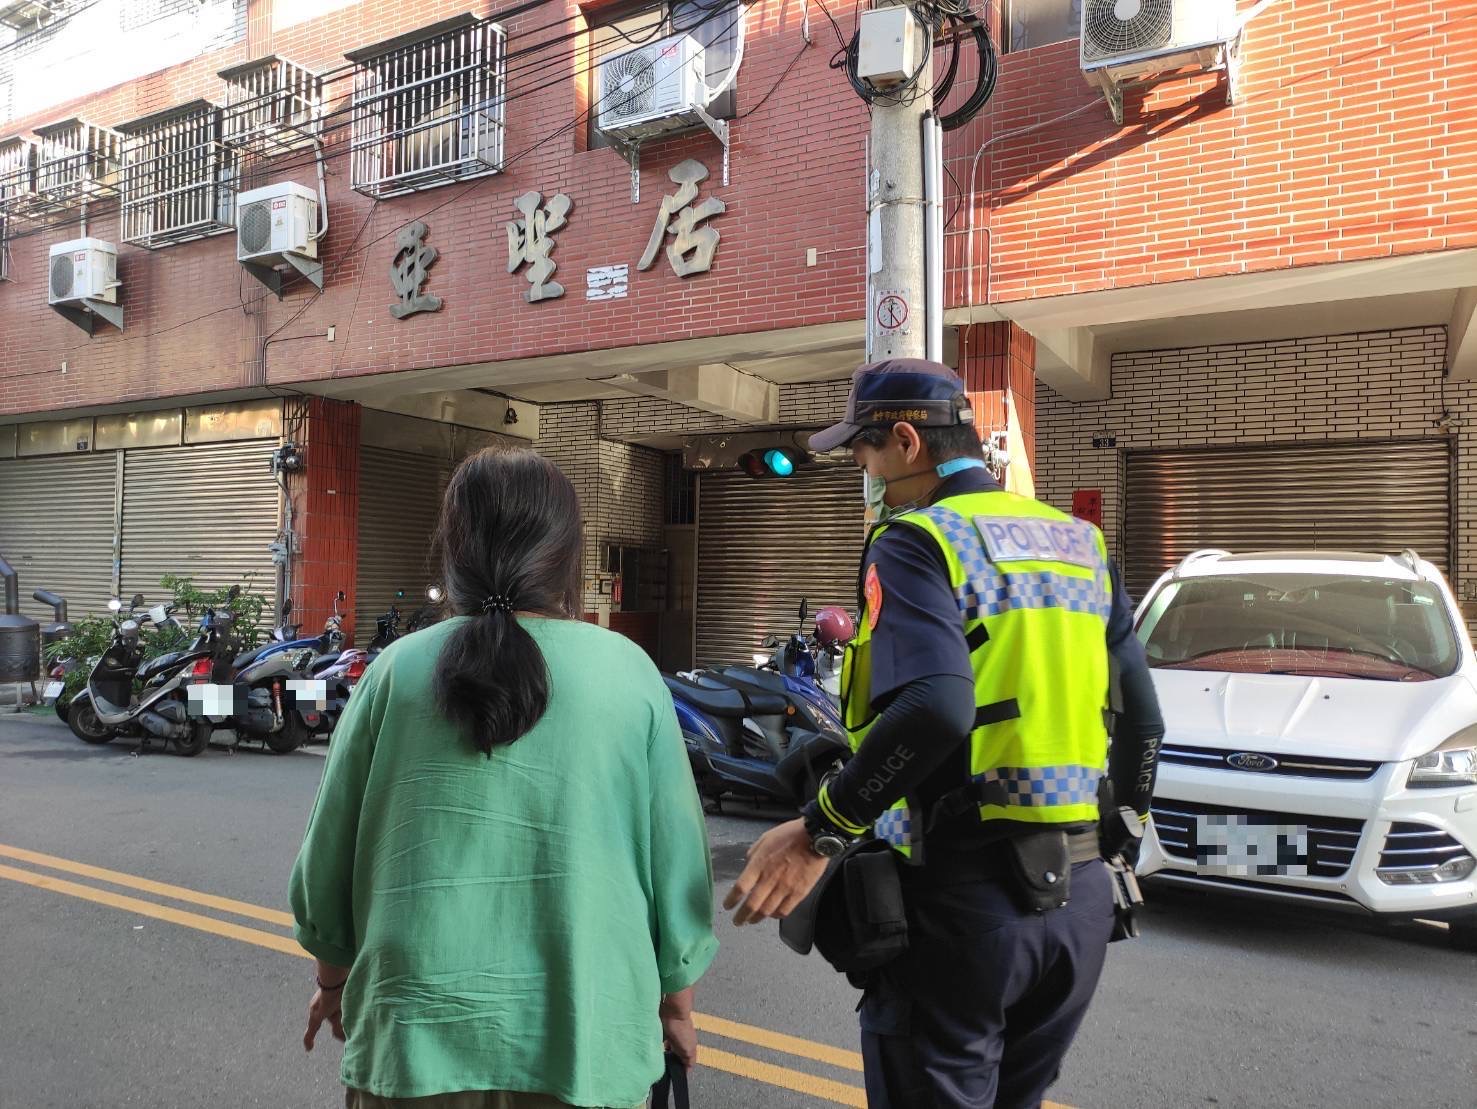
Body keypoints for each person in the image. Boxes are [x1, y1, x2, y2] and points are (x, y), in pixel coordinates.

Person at [724, 358, 1164, 1109]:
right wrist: (1120, 838)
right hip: (1083, 903)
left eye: (863, 450)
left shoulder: (917, 539)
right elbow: (1144, 722)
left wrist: (822, 828)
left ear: (905, 441)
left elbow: (935, 706)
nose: (861, 469)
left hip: (964, 903)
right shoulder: (1081, 543)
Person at [291, 448, 718, 1109]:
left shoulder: (394, 671)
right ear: (566, 553)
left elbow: (327, 863)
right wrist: (676, 1008)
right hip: (587, 1043)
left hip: (411, 1041)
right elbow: (677, 868)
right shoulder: (628, 673)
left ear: (454, 547)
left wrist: (333, 982)